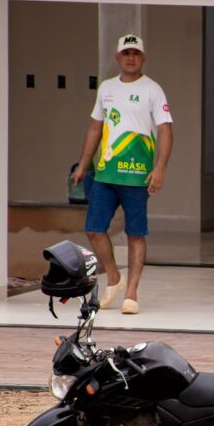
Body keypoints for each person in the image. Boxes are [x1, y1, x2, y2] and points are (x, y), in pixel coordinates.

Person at [72, 34, 173, 314]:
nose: (131, 58)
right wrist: (83, 164)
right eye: (126, 53)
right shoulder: (106, 88)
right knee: (94, 229)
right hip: (106, 174)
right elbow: (95, 127)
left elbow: (165, 130)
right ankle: (114, 278)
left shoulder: (153, 90)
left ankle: (131, 293)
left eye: (136, 53)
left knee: (135, 234)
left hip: (137, 176)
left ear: (143, 58)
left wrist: (160, 167)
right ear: (118, 57)